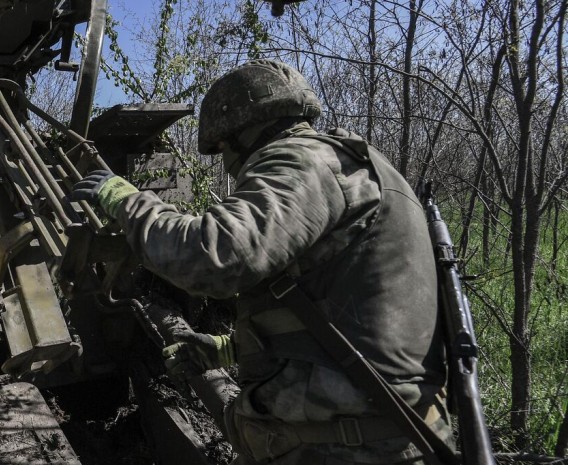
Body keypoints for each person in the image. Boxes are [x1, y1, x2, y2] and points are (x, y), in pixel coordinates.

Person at [73, 60, 453, 465]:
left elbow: (214, 256)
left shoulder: (302, 161)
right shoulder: (363, 168)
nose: (227, 164)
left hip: (343, 449)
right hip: (386, 437)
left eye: (221, 150)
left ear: (239, 136)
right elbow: (357, 315)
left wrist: (126, 201)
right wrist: (226, 349)